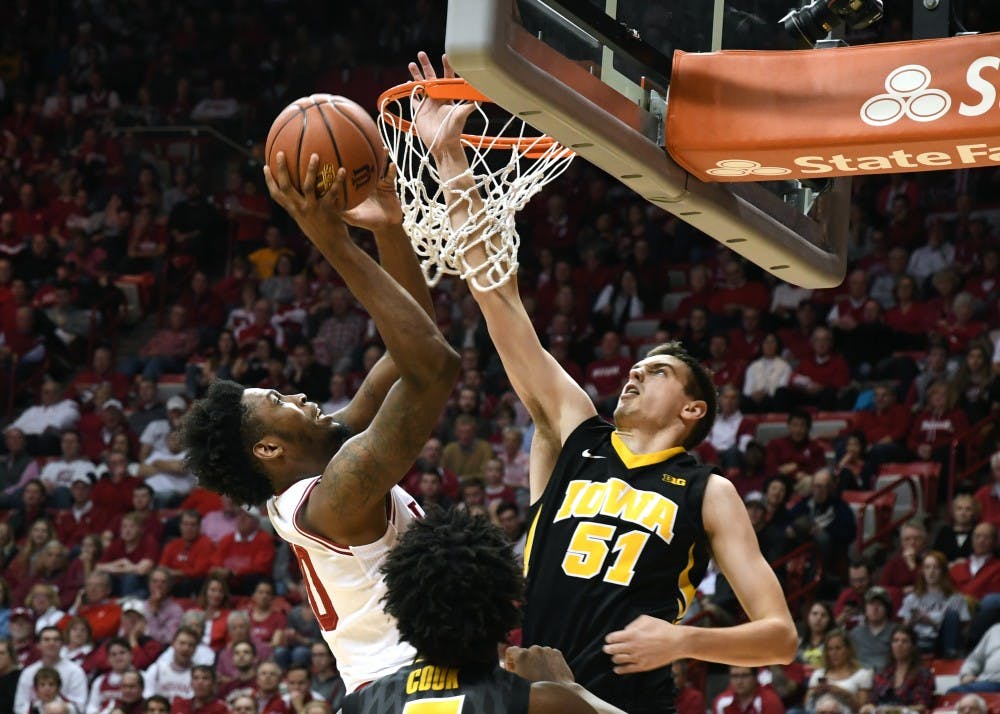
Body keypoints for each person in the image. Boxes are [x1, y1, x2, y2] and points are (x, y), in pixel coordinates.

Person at [407, 51, 796, 714]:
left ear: (694, 409)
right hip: (537, 693)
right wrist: (449, 160)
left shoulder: (708, 492)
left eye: (661, 371)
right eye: (639, 366)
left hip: (626, 702)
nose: (638, 371)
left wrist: (682, 641)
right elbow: (501, 304)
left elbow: (780, 638)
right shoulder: (577, 432)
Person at [182, 153, 460, 695]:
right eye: (280, 400)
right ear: (268, 448)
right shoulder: (334, 501)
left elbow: (416, 345)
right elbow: (434, 367)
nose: (299, 395)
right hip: (405, 690)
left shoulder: (326, 462)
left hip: (411, 685)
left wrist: (389, 231)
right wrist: (333, 242)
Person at [341, 507, 626, 713]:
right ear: (507, 605)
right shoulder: (543, 703)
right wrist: (567, 687)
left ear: (401, 610)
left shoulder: (359, 706)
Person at [898, 551, 970, 656]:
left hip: (941, 642)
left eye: (936, 568)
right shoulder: (912, 598)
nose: (931, 572)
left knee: (952, 615)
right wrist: (912, 621)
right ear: (922, 571)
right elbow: (903, 630)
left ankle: (950, 659)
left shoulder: (956, 598)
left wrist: (932, 623)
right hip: (917, 641)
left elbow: (963, 631)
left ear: (943, 571)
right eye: (927, 567)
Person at [860, 626, 934, 714]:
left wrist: (895, 710)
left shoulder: (922, 674)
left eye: (905, 641)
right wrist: (868, 707)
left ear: (913, 646)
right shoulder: (884, 672)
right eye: (895, 641)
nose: (899, 644)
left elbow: (922, 706)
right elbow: (873, 701)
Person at [13, 627, 87, 714]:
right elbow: (19, 706)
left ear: (62, 644)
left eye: (56, 640)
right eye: (46, 640)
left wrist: (56, 709)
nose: (51, 643)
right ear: (38, 645)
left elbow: (80, 706)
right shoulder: (28, 672)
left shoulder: (75, 671)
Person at [802, 630, 872, 713]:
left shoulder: (862, 674)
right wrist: (815, 693)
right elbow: (807, 706)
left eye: (838, 648)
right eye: (830, 649)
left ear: (848, 650)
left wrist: (841, 692)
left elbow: (862, 709)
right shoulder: (818, 674)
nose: (834, 653)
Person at [849, 587, 895, 672]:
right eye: (871, 604)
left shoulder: (896, 632)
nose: (875, 608)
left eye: (880, 604)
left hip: (887, 678)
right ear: (864, 608)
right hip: (859, 677)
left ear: (887, 608)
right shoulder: (855, 633)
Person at [948, 622, 1000, 694]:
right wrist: (966, 674)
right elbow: (974, 659)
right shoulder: (995, 630)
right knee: (954, 693)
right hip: (990, 682)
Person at [711, 666, 785, 714]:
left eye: (745, 676)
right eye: (734, 676)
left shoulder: (770, 701)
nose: (739, 682)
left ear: (755, 677)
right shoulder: (721, 701)